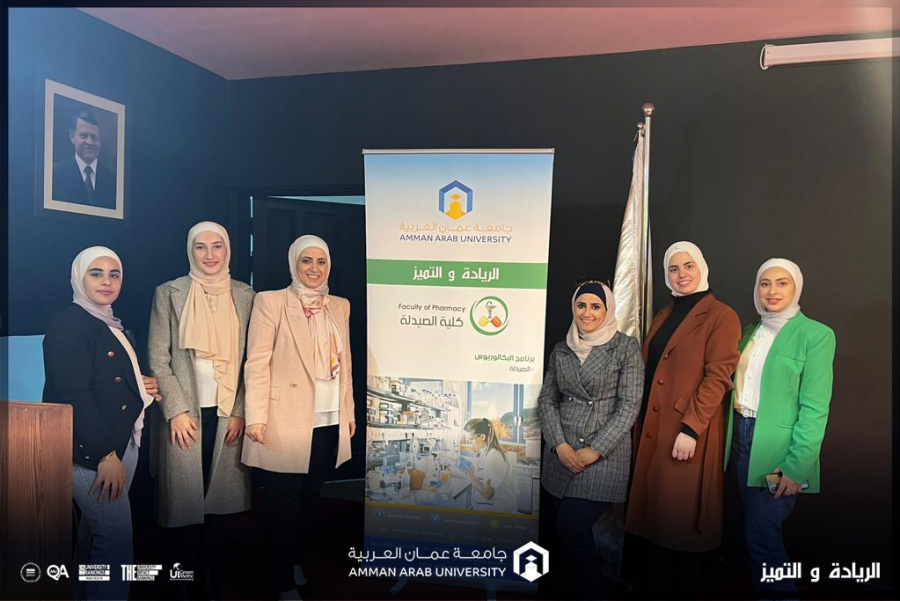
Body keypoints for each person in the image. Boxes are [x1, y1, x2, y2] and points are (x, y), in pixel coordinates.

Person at [242, 235, 356, 601]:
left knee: (310, 498)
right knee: (283, 502)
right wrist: (255, 416)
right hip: (284, 416)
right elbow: (257, 363)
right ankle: (282, 584)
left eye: (321, 261)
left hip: (328, 418)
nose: (314, 268)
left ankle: (293, 563)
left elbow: (346, 366)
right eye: (307, 260)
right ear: (294, 263)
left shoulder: (339, 305)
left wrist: (348, 411)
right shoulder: (271, 301)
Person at [42, 246, 159, 601]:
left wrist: (140, 384)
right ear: (79, 278)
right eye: (96, 273)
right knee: (115, 541)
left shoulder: (106, 320)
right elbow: (73, 393)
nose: (107, 281)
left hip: (121, 442)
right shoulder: (69, 322)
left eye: (114, 274)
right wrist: (105, 455)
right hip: (94, 452)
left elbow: (107, 378)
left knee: (95, 536)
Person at [624, 241, 741, 593]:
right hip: (654, 430)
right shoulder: (665, 313)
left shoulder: (722, 316)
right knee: (654, 517)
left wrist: (691, 428)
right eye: (673, 269)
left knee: (677, 522)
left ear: (702, 268)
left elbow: (718, 377)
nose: (681, 274)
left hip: (686, 432)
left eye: (688, 266)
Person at [148, 222, 256, 600]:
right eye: (200, 247)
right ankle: (181, 582)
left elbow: (252, 361)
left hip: (226, 414)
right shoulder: (169, 293)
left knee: (217, 502)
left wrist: (240, 411)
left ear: (228, 250)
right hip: (184, 416)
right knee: (182, 503)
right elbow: (158, 359)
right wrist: (175, 410)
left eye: (217, 246)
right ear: (189, 251)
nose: (209, 255)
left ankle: (208, 576)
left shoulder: (246, 295)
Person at [725, 258, 835, 596]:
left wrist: (797, 465)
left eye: (782, 283)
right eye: (765, 283)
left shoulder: (816, 335)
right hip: (741, 440)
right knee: (754, 531)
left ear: (796, 288)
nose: (772, 291)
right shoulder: (748, 332)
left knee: (761, 535)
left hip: (778, 449)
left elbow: (815, 408)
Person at [538, 281, 644, 597]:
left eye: (596, 306)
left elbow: (630, 405)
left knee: (571, 530)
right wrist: (559, 445)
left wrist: (595, 450)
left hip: (604, 455)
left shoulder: (625, 347)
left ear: (607, 310)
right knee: (571, 533)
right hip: (562, 453)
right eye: (581, 305)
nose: (587, 313)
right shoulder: (561, 348)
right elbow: (547, 400)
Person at [52, 110, 117, 209]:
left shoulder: (112, 179)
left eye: (94, 137)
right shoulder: (55, 173)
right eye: (83, 136)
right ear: (72, 136)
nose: (89, 142)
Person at [458, 418, 519, 514]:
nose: (469, 443)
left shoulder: (494, 457)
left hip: (498, 513)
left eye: (471, 440)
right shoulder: (485, 452)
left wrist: (466, 473)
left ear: (482, 437)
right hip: (487, 510)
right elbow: (481, 476)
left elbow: (487, 493)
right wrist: (469, 466)